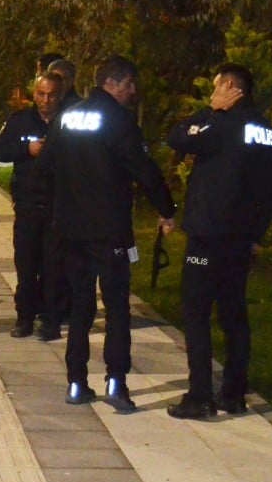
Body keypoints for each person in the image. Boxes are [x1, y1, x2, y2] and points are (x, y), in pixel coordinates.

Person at [36, 55, 176, 412]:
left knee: (81, 305)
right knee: (116, 308)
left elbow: (46, 166)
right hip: (109, 230)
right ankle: (116, 381)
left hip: (70, 229)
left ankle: (76, 382)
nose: (133, 91)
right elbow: (143, 169)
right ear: (112, 83)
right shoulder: (118, 120)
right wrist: (167, 209)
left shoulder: (67, 116)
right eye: (130, 84)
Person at [165, 63, 272, 419]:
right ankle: (233, 393)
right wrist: (255, 234)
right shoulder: (264, 130)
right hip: (240, 240)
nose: (212, 95)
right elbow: (271, 189)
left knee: (197, 313)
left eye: (216, 89)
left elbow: (178, 137)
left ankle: (200, 395)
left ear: (230, 90)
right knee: (234, 314)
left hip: (208, 236)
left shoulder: (220, 123)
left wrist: (211, 111)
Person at [0, 71, 66, 340]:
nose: (45, 100)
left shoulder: (68, 122)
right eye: (41, 94)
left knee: (53, 268)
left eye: (51, 95)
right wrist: (27, 150)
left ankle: (50, 321)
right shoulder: (20, 120)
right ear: (34, 94)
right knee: (26, 266)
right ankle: (24, 318)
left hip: (58, 207)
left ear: (60, 95)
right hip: (27, 205)